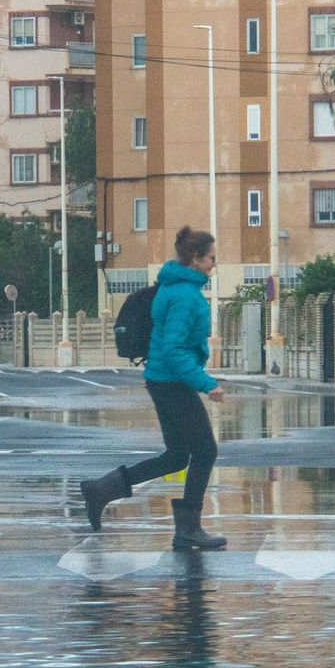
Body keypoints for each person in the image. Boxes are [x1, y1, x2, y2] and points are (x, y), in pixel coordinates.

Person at [80, 226, 227, 550]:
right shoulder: (185, 296)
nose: (214, 264)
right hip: (172, 382)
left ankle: (102, 489)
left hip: (163, 379)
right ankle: (188, 527)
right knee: (205, 451)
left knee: (177, 456)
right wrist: (206, 384)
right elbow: (174, 349)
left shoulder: (173, 286)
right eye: (211, 258)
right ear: (195, 258)